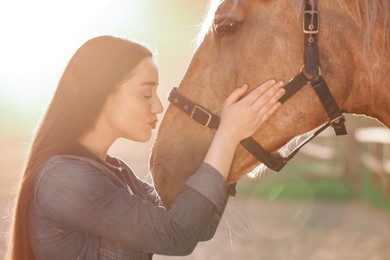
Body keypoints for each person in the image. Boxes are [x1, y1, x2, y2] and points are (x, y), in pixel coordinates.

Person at [5, 35, 285, 260]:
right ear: (101, 93)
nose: (158, 106)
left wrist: (233, 139)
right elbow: (177, 235)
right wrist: (227, 136)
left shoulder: (117, 173)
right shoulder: (65, 179)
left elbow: (198, 225)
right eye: (145, 94)